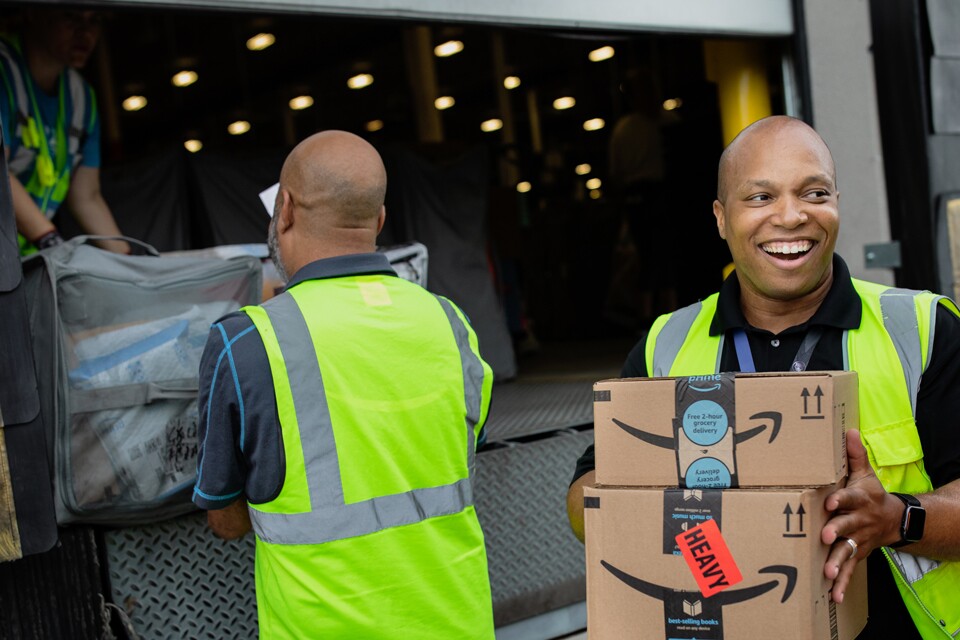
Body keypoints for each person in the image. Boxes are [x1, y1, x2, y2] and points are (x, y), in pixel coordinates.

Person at [567, 116, 960, 638]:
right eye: (760, 198)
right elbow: (588, 492)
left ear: (837, 202)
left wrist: (897, 519)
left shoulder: (919, 329)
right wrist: (649, 512)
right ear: (721, 218)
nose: (792, 216)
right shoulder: (667, 344)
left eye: (814, 192)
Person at [192, 130, 495, 639]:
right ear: (379, 219)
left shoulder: (246, 342)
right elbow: (459, 447)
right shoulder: (449, 322)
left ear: (283, 208)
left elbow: (227, 520)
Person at [0, 8, 126, 254]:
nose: (85, 32)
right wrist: (50, 241)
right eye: (71, 16)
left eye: (95, 20)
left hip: (17, 261)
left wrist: (132, 263)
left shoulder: (81, 97)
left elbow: (86, 196)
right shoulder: (4, 71)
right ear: (32, 13)